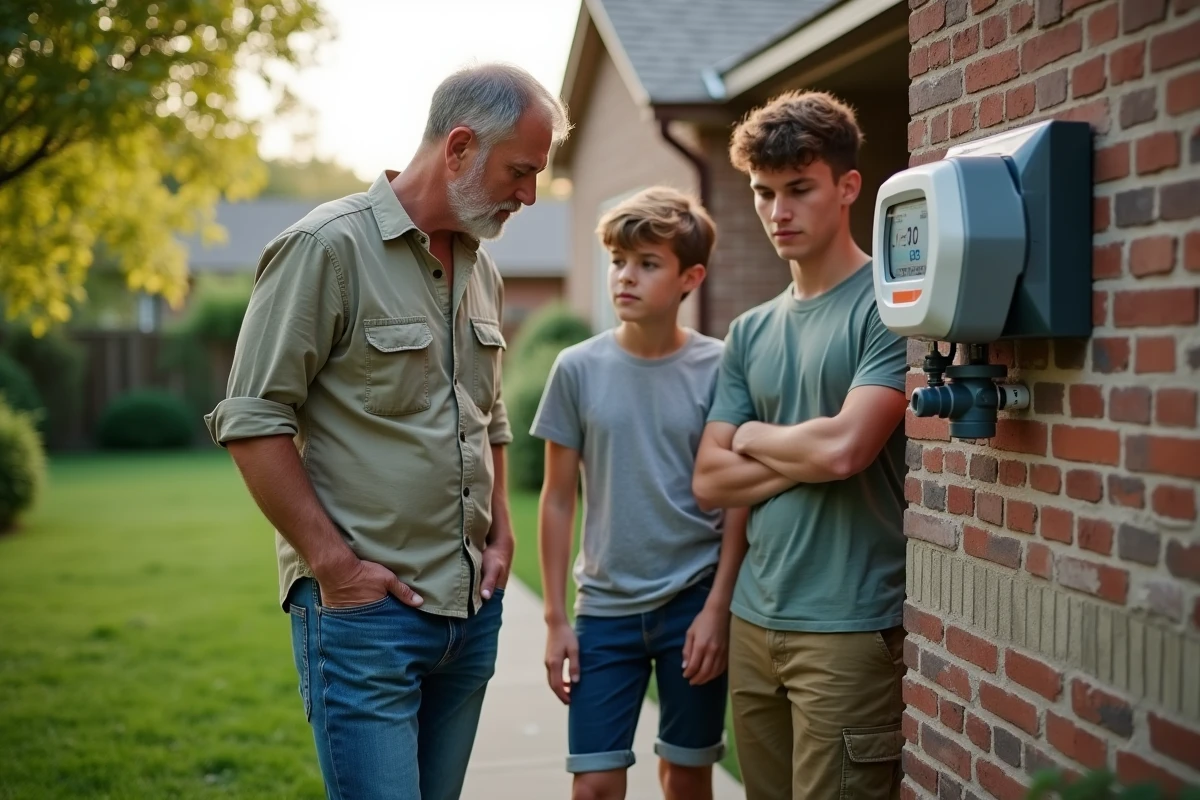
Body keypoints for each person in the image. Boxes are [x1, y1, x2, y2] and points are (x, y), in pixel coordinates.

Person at [203, 63, 571, 800]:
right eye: (521, 171)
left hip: (469, 617)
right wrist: (335, 568)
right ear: (460, 147)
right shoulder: (324, 249)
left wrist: (501, 534)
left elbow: (489, 414)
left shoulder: (483, 267)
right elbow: (252, 420)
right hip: (364, 620)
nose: (530, 196)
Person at [692, 90, 910, 800]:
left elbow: (847, 452)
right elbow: (709, 481)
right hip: (756, 621)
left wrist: (752, 436)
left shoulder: (889, 304)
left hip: (847, 627)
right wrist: (805, 452)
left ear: (848, 187)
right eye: (763, 192)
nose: (777, 211)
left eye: (799, 189)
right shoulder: (750, 331)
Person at [531, 187, 750, 800]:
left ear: (691, 277)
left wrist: (717, 609)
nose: (625, 277)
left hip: (693, 602)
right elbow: (555, 499)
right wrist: (554, 619)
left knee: (686, 776)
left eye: (647, 264)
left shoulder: (721, 366)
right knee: (595, 784)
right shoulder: (576, 368)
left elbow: (737, 498)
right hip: (605, 609)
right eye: (618, 261)